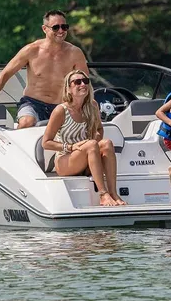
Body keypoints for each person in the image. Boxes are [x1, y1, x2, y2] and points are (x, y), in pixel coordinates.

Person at [0, 10, 89, 128]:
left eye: (64, 27)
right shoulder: (31, 50)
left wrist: (88, 106)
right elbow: (5, 74)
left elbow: (85, 83)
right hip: (32, 103)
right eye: (56, 27)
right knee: (27, 122)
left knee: (81, 128)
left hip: (62, 106)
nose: (61, 31)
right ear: (44, 29)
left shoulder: (75, 53)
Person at [42, 70, 126, 207]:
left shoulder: (92, 106)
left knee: (107, 144)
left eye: (85, 81)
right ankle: (103, 195)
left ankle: (113, 193)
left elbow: (99, 129)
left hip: (86, 156)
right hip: (65, 160)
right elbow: (46, 143)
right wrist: (70, 147)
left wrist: (93, 141)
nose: (83, 84)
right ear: (68, 89)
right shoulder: (60, 110)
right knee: (92, 144)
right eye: (77, 82)